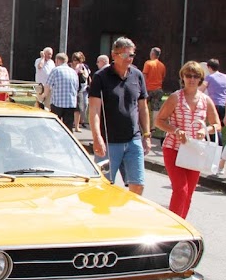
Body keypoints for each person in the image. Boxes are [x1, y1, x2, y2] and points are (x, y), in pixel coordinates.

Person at [154, 61, 222, 219]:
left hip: (195, 150)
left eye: (196, 76)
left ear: (200, 79)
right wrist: (175, 130)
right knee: (181, 189)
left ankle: (181, 224)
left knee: (189, 192)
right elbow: (159, 121)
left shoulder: (205, 100)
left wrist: (205, 130)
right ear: (182, 77)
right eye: (188, 76)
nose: (192, 79)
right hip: (174, 148)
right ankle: (173, 226)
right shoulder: (175, 97)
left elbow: (217, 125)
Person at [88, 37, 151, 195]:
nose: (128, 59)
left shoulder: (137, 75)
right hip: (109, 142)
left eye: (131, 55)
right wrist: (97, 137)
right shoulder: (101, 77)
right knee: (103, 186)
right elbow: (94, 110)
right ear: (114, 55)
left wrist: (147, 135)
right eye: (124, 55)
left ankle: (130, 211)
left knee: (138, 184)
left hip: (133, 140)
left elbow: (143, 107)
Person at [44, 52, 80, 130]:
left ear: (57, 60)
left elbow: (48, 85)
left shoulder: (55, 70)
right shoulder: (73, 72)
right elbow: (77, 87)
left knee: (55, 127)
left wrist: (44, 96)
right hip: (70, 103)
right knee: (68, 128)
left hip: (57, 103)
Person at [142, 47, 166, 123]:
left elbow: (144, 76)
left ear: (152, 54)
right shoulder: (162, 65)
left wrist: (142, 87)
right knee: (156, 109)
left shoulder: (148, 63)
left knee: (143, 107)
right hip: (158, 89)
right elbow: (163, 77)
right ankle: (154, 126)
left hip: (148, 89)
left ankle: (143, 124)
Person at [71, 51, 90, 131]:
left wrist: (82, 72)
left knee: (79, 107)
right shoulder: (69, 66)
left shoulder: (83, 67)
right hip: (70, 89)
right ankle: (71, 123)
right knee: (69, 107)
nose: (76, 62)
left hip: (80, 89)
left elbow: (86, 76)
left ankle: (77, 126)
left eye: (78, 60)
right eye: (75, 60)